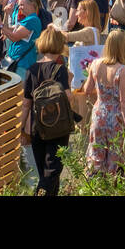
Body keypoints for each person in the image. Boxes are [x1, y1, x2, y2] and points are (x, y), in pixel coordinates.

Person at [21, 26, 72, 195]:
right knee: (51, 173)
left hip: (38, 129)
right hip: (58, 128)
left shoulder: (31, 70)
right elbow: (68, 97)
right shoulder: (60, 70)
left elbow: (26, 104)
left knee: (45, 171)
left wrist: (21, 129)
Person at [84, 30, 125, 174]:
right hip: (115, 117)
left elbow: (87, 89)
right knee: (115, 156)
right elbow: (124, 101)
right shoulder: (123, 70)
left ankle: (94, 183)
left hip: (99, 113)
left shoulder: (95, 64)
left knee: (96, 154)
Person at [0, 0, 44, 74]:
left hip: (22, 63)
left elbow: (14, 37)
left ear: (32, 5)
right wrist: (6, 14)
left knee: (19, 87)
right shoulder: (26, 20)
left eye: (22, 5)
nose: (20, 8)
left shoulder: (33, 20)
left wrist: (0, 25)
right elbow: (6, 30)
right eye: (19, 5)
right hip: (12, 61)